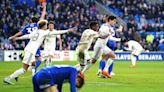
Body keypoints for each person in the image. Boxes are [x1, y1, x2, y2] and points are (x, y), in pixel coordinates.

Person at [3, 19, 74, 84]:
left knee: (29, 67)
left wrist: (17, 38)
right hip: (31, 51)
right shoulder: (43, 32)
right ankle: (32, 80)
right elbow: (57, 32)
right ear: (43, 26)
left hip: (28, 49)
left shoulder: (36, 32)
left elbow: (27, 36)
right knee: (29, 67)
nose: (47, 26)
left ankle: (12, 77)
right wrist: (67, 30)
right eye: (46, 25)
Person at [8, 2, 47, 74]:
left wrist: (13, 37)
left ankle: (21, 73)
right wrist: (44, 8)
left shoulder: (27, 27)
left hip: (28, 45)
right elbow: (43, 16)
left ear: (31, 21)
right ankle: (33, 72)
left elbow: (20, 33)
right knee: (38, 60)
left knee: (29, 63)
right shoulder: (38, 26)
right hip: (34, 45)